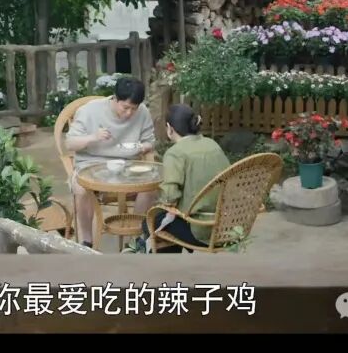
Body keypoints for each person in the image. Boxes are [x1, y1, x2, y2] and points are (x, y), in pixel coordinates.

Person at [65, 77, 157, 247]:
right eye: (125, 107)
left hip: (127, 164)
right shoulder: (90, 110)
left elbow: (150, 141)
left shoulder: (142, 112)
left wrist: (143, 146)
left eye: (134, 109)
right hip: (91, 163)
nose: (129, 113)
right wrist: (93, 137)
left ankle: (135, 239)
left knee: (150, 187)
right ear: (115, 98)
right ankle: (86, 241)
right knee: (81, 188)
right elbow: (70, 143)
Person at [135, 103, 230, 253]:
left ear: (169, 128)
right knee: (169, 219)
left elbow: (169, 198)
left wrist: (157, 193)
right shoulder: (212, 144)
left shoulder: (175, 153)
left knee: (151, 222)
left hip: (200, 229)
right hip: (227, 224)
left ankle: (167, 265)